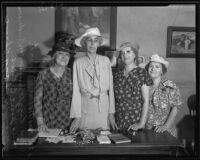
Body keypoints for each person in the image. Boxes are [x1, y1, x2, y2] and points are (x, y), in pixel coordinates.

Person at [69, 27, 117, 133]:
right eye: (89, 40)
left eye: (95, 41)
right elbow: (76, 92)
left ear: (99, 43)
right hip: (85, 109)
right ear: (84, 43)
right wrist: (77, 116)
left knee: (104, 141)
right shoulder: (78, 63)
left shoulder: (106, 61)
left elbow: (111, 90)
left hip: (103, 110)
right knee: (85, 141)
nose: (92, 44)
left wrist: (111, 113)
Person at [113, 42, 153, 131]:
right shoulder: (117, 74)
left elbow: (146, 101)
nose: (125, 55)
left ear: (135, 54)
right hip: (118, 119)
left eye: (128, 52)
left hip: (135, 120)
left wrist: (141, 123)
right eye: (122, 53)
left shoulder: (142, 73)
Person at [34, 42, 73, 132]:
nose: (64, 57)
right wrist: (40, 122)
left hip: (68, 123)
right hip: (48, 122)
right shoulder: (43, 74)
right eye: (60, 54)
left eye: (67, 54)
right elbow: (37, 101)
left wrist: (77, 120)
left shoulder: (73, 74)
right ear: (54, 56)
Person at [145, 54, 182, 137]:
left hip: (165, 131)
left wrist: (166, 126)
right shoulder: (145, 86)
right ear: (147, 69)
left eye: (157, 67)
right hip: (147, 129)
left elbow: (176, 107)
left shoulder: (169, 85)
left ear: (162, 71)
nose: (153, 69)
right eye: (151, 66)